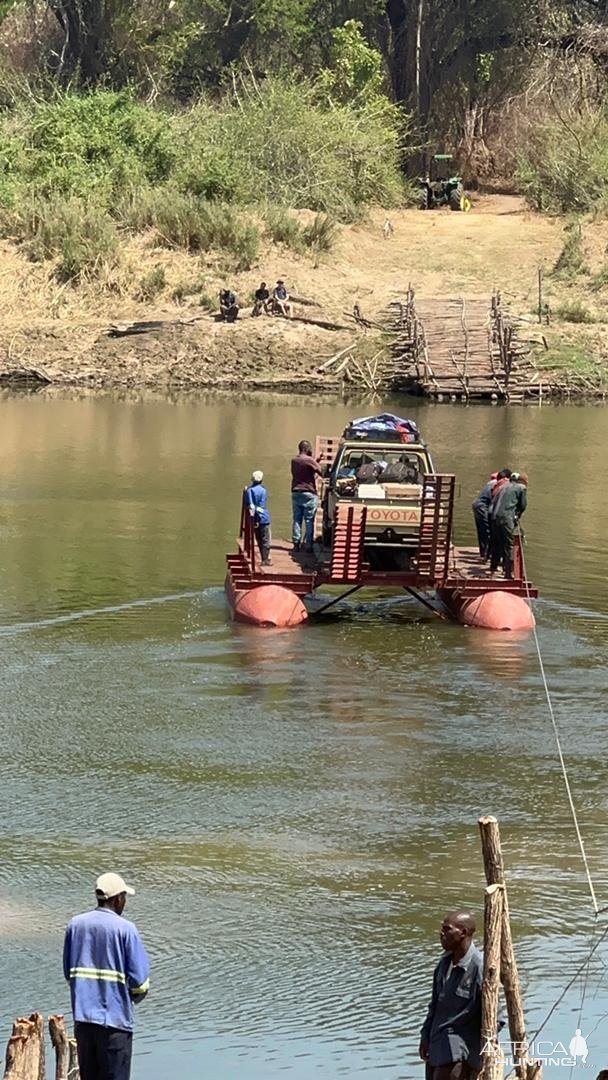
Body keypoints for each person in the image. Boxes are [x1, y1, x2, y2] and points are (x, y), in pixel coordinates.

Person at [64, 872, 150, 1080]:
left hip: (83, 1023)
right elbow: (140, 984)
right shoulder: (126, 929)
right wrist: (133, 997)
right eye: (124, 897)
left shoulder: (75, 925)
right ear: (118, 898)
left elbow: (69, 973)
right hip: (115, 1025)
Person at [420, 911, 483, 1080]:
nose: (441, 933)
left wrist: (471, 1053)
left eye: (447, 929)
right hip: (436, 1047)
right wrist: (425, 1036)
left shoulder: (479, 967)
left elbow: (495, 1018)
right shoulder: (443, 964)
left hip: (458, 1054)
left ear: (463, 933)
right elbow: (434, 1006)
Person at [489, 472, 528, 578]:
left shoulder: (504, 486)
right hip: (506, 518)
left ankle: (493, 566)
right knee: (509, 545)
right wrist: (518, 514)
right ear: (523, 481)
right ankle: (508, 572)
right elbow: (523, 505)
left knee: (496, 542)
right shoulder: (521, 488)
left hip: (495, 516)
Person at [291, 439, 323, 553]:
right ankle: (309, 545)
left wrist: (315, 461)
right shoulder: (310, 460)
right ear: (307, 449)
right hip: (309, 493)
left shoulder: (294, 460)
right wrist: (316, 462)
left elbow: (305, 470)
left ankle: (296, 544)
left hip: (296, 492)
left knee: (296, 519)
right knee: (309, 520)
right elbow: (322, 472)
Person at [246, 469, 272, 566]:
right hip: (264, 518)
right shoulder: (263, 490)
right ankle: (265, 559)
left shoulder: (249, 490)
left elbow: (250, 505)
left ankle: (264, 559)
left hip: (254, 518)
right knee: (266, 539)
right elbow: (262, 505)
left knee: (259, 539)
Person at [471, 472, 498, 560]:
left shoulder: (490, 483)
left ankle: (483, 552)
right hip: (482, 507)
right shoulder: (496, 484)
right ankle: (487, 554)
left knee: (481, 530)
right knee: (487, 530)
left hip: (477, 505)